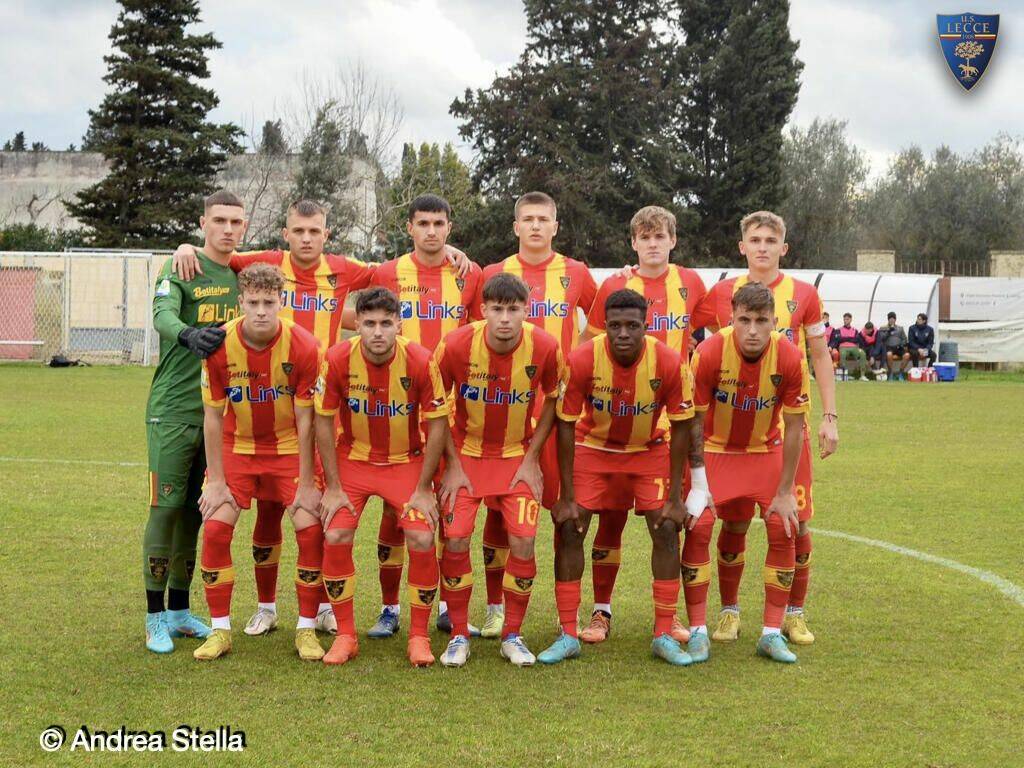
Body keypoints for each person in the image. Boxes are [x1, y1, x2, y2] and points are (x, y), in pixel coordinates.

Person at [173, 196, 473, 640]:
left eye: (315, 231)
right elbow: (223, 251)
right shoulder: (266, 265)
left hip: (323, 406)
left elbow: (393, 274)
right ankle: (267, 607)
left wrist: (448, 253)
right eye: (299, 231)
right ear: (286, 234)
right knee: (272, 515)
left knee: (319, 512)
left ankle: (333, 613)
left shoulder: (346, 268)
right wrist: (186, 248)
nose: (307, 239)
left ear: (326, 234)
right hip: (268, 407)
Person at [538, 289, 708, 667]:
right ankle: (568, 633)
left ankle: (663, 631)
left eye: (632, 325)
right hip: (593, 449)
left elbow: (681, 427)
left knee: (666, 527)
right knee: (570, 526)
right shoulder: (582, 358)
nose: (623, 333)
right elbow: (565, 426)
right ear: (604, 327)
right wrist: (567, 495)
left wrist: (677, 497)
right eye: (615, 325)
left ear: (647, 326)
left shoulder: (668, 361)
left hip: (648, 451)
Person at [690, 210, 838, 645]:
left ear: (783, 248)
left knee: (795, 523)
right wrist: (634, 272)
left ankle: (794, 612)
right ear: (742, 246)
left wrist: (829, 417)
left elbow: (821, 355)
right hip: (727, 435)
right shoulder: (720, 293)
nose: (761, 247)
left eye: (770, 241)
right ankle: (729, 613)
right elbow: (675, 315)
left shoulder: (804, 294)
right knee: (732, 525)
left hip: (785, 431)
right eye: (754, 240)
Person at [464, 191, 597, 640]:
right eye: (528, 219)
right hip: (501, 418)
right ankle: (496, 608)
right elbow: (472, 327)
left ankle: (568, 618)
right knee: (499, 517)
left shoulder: (576, 272)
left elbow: (599, 323)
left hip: (557, 417)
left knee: (565, 512)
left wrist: (576, 368)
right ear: (515, 226)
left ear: (556, 226)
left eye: (544, 219)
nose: (536, 226)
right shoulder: (493, 273)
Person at [578, 206, 705, 644]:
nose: (652, 243)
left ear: (673, 240)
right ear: (633, 243)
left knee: (670, 521)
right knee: (609, 522)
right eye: (644, 236)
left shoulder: (692, 284)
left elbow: (717, 330)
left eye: (660, 236)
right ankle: (601, 612)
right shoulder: (615, 284)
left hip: (670, 425)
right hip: (613, 424)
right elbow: (589, 342)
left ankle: (669, 619)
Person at [364, 194, 484, 639]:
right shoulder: (388, 273)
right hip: (396, 409)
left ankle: (447, 610)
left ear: (449, 228)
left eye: (439, 223)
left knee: (448, 510)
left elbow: (478, 336)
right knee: (395, 515)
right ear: (409, 228)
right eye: (423, 223)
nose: (431, 231)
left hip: (451, 411)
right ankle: (389, 608)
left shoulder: (469, 275)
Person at [313, 287, 451, 667]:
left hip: (405, 462)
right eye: (369, 323)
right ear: (356, 324)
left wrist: (425, 488)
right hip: (353, 462)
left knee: (421, 535)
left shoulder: (421, 360)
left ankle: (419, 636)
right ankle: (345, 635)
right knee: (336, 531)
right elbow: (323, 421)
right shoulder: (338, 358)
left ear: (399, 325)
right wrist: (333, 485)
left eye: (386, 324)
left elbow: (438, 424)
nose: (377, 332)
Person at [193, 262, 323, 661]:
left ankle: (306, 628)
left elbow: (307, 419)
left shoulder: (303, 345)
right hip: (237, 447)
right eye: (254, 302)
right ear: (241, 302)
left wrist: (305, 481)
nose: (262, 310)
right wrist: (215, 480)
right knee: (215, 528)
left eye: (270, 301)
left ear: (282, 301)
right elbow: (212, 417)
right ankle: (219, 631)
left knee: (310, 526)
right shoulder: (219, 345)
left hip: (288, 449)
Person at [433, 273, 563, 667]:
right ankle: (457, 634)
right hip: (466, 459)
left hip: (515, 459)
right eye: (497, 310)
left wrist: (531, 459)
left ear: (527, 310)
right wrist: (451, 466)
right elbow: (436, 406)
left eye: (513, 310)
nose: (505, 319)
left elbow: (555, 400)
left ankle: (513, 634)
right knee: (455, 539)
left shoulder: (544, 346)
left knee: (523, 541)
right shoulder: (454, 345)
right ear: (483, 310)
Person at [685, 282, 810, 664]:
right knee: (700, 524)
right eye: (744, 320)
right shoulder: (707, 354)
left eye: (761, 321)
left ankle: (772, 633)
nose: (752, 330)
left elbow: (794, 427)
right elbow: (693, 421)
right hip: (715, 450)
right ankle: (698, 630)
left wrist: (786, 490)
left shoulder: (789, 358)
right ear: (731, 319)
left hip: (763, 451)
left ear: (775, 321)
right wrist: (698, 481)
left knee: (783, 525)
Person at [143, 189, 245, 654]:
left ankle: (181, 611)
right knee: (165, 509)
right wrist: (186, 333)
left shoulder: (243, 274)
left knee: (195, 512)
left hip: (219, 417)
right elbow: (162, 313)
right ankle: (153, 617)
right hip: (174, 410)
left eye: (236, 222)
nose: (227, 229)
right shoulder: (181, 264)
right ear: (203, 222)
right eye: (219, 220)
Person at [831, 313, 868, 379]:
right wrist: (850, 338)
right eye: (844, 319)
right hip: (843, 348)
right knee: (842, 354)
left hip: (854, 348)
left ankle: (862, 375)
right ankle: (844, 375)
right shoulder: (838, 330)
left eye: (847, 319)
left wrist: (844, 338)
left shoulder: (855, 330)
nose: (845, 321)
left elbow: (856, 340)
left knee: (862, 353)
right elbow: (838, 340)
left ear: (851, 320)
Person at [879, 312, 911, 380]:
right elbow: (881, 339)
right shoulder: (883, 328)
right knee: (889, 354)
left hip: (898, 348)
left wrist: (901, 344)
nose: (892, 320)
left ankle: (900, 372)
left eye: (893, 318)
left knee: (907, 355)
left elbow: (904, 339)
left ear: (895, 319)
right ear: (888, 319)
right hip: (888, 347)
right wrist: (888, 331)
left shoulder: (900, 328)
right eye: (890, 318)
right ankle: (890, 372)